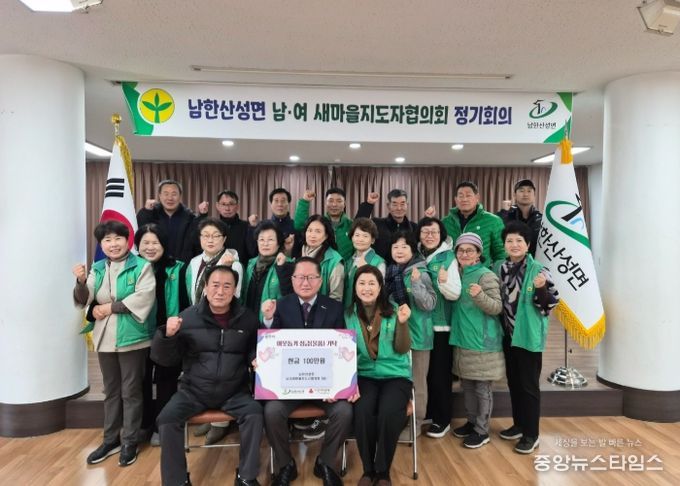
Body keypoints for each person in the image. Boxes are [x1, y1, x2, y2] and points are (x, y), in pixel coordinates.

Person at [152, 265, 263, 486]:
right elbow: (165, 359)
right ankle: (176, 481)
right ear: (205, 287)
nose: (220, 291)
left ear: (235, 290)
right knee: (167, 418)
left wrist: (255, 358)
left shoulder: (248, 319)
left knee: (254, 414)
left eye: (227, 286)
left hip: (234, 391)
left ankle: (246, 477)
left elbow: (255, 348)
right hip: (193, 391)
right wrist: (167, 336)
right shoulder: (187, 318)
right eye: (215, 285)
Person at [72, 220, 156, 467]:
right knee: (111, 391)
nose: (113, 244)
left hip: (133, 337)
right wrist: (80, 282)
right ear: (101, 245)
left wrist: (110, 307)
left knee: (131, 391)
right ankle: (110, 440)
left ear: (127, 240)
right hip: (105, 337)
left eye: (118, 238)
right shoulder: (97, 268)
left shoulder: (142, 266)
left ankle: (130, 441)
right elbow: (85, 297)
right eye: (107, 240)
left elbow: (144, 297)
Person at [260, 257, 349, 486]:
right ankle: (285, 465)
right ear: (292, 280)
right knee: (272, 411)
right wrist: (268, 320)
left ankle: (325, 463)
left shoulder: (334, 307)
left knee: (344, 411)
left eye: (311, 277)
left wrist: (337, 386)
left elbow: (341, 350)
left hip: (324, 385)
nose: (305, 282)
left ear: (320, 281)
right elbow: (270, 344)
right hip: (289, 385)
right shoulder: (281, 305)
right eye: (300, 277)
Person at [345, 265, 412, 486]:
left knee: (388, 412)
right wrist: (349, 381)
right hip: (364, 375)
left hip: (395, 375)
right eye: (362, 283)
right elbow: (343, 353)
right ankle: (368, 469)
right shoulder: (348, 315)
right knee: (363, 411)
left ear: (380, 287)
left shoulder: (395, 310)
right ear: (355, 287)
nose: (367, 288)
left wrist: (402, 324)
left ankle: (383, 472)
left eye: (372, 283)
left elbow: (403, 348)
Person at [498, 221, 559, 454]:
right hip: (509, 335)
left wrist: (541, 288)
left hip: (528, 337)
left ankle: (532, 434)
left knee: (529, 386)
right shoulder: (502, 268)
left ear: (528, 244)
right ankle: (519, 425)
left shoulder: (539, 270)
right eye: (509, 241)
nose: (514, 245)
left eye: (519, 241)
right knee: (514, 382)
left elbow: (549, 305)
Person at [135, 224, 190, 447]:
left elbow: (186, 302)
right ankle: (144, 423)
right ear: (137, 245)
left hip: (169, 334)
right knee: (141, 380)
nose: (150, 247)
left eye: (155, 243)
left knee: (167, 381)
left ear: (164, 245)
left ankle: (162, 425)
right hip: (139, 333)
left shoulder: (178, 268)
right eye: (145, 243)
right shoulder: (133, 268)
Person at [449, 233, 504, 449]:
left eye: (470, 250)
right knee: (468, 386)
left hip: (482, 342)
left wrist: (480, 295)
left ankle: (482, 430)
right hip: (463, 339)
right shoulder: (457, 275)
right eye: (461, 250)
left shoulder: (485, 276)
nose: (464, 254)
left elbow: (496, 307)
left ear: (478, 253)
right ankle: (472, 422)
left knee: (482, 388)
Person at [384, 231, 436, 437]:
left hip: (418, 337)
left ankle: (416, 423)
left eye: (404, 247)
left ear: (413, 250)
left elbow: (429, 304)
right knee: (399, 382)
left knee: (417, 383)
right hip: (396, 337)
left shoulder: (420, 272)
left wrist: (416, 284)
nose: (399, 251)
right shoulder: (391, 272)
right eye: (395, 247)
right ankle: (401, 420)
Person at [416, 217, 461, 439]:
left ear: (441, 234)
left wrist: (443, 282)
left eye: (434, 232)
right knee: (424, 374)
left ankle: (443, 420)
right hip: (420, 326)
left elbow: (455, 293)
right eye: (425, 232)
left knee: (440, 375)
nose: (429, 236)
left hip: (441, 327)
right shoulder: (417, 255)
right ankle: (429, 413)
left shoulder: (448, 257)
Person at [136, 179, 208, 263]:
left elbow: (199, 241)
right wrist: (146, 211)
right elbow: (141, 233)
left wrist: (203, 215)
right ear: (160, 195)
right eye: (166, 194)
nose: (170, 198)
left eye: (174, 194)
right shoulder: (150, 214)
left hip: (182, 266)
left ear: (180, 196)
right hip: (155, 265)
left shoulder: (190, 217)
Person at [440, 181, 506, 268]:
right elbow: (439, 250)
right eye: (461, 196)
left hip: (481, 273)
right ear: (455, 199)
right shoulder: (445, 222)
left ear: (477, 197)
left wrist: (493, 273)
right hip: (451, 273)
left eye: (468, 195)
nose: (464, 199)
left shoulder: (493, 221)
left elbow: (501, 253)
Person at [241, 221, 294, 320]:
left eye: (270, 240)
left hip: (272, 323)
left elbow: (290, 297)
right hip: (248, 322)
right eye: (261, 239)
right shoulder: (251, 264)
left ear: (278, 243)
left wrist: (282, 268)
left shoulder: (287, 264)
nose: (265, 244)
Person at [186, 217, 243, 305]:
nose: (210, 240)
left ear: (224, 239)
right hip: (196, 311)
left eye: (216, 236)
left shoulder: (234, 265)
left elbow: (235, 297)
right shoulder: (194, 263)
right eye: (206, 236)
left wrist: (225, 268)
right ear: (200, 238)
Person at [192, 190, 255, 267]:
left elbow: (253, 252)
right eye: (223, 204)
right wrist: (202, 216)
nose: (227, 208)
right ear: (217, 206)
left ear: (237, 206)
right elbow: (196, 243)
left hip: (239, 268)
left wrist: (253, 227)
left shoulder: (246, 226)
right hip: (213, 269)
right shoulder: (212, 226)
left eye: (231, 204)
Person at [356, 189, 418, 261]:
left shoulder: (414, 227)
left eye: (402, 204)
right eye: (395, 204)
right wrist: (369, 204)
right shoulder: (376, 224)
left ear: (407, 205)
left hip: (407, 267)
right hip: (379, 266)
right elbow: (358, 225)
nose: (399, 208)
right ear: (388, 206)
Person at [294, 188, 355, 260]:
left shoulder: (352, 225)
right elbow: (299, 226)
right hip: (320, 264)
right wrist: (305, 202)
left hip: (345, 266)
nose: (334, 204)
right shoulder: (319, 223)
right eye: (331, 201)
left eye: (339, 201)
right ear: (326, 203)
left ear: (344, 204)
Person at [294, 215, 345, 302]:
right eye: (309, 230)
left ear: (326, 236)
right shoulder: (298, 254)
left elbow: (336, 298)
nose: (312, 235)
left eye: (318, 231)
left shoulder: (334, 261)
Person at [343, 217, 386, 309]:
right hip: (348, 310)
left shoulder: (379, 262)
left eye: (365, 236)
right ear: (352, 237)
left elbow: (380, 291)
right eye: (357, 235)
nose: (360, 239)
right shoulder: (349, 261)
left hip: (367, 310)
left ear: (372, 240)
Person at [500, 179, 543, 257]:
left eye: (529, 191)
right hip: (510, 261)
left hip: (535, 262)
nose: (525, 194)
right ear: (514, 195)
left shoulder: (541, 219)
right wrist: (504, 213)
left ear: (534, 195)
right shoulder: (505, 215)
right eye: (521, 191)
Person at [248, 187, 297, 256]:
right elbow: (253, 251)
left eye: (283, 201)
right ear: (271, 204)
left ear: (288, 204)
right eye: (276, 201)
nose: (280, 204)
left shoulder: (295, 225)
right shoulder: (262, 225)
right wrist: (253, 227)